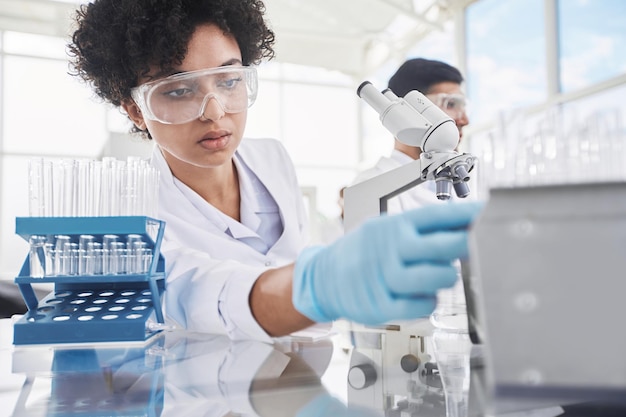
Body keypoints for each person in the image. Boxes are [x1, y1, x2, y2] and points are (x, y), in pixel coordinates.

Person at [68, 0, 482, 342]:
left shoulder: (272, 159)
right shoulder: (127, 211)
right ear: (135, 110)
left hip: (300, 378)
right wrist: (317, 285)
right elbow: (198, 291)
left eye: (229, 80)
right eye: (178, 90)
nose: (216, 111)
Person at [352, 58, 471, 211]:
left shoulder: (456, 183)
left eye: (463, 107)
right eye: (451, 104)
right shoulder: (369, 186)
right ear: (407, 112)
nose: (465, 120)